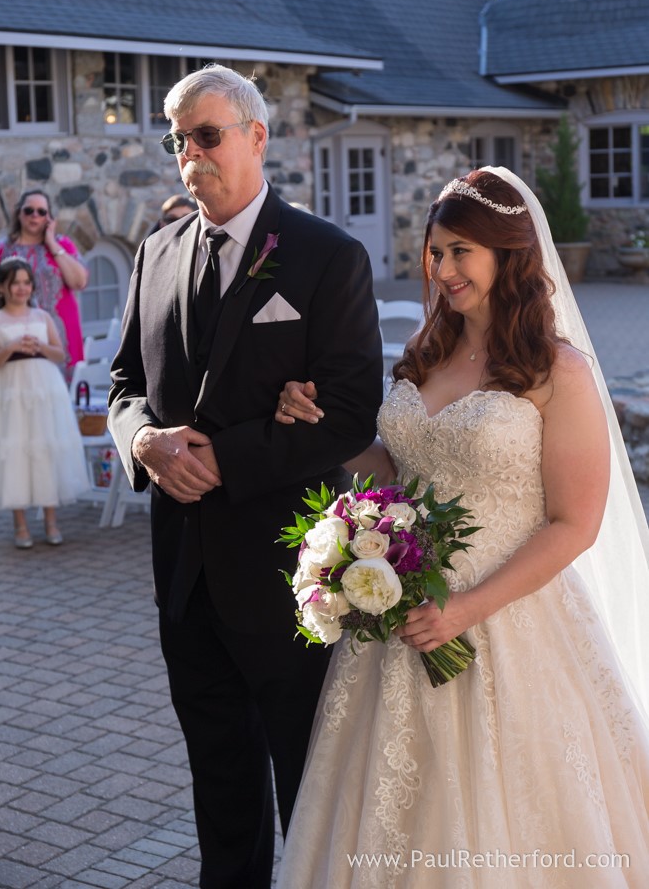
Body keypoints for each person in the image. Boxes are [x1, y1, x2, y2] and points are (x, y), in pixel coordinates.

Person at [274, 167, 649, 888]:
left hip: (508, 623)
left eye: (460, 251)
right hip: (403, 618)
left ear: (508, 255)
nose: (441, 269)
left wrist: (466, 608)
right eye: (434, 251)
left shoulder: (556, 372)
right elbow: (396, 474)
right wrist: (325, 429)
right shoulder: (425, 355)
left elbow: (575, 524)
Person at [107, 63, 383, 889]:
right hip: (183, 577)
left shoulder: (326, 257)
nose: (189, 154)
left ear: (257, 137)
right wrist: (147, 444)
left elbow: (347, 409)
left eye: (207, 134)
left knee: (308, 781)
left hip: (288, 575)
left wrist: (221, 459)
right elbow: (123, 386)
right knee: (219, 784)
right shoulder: (155, 253)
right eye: (177, 139)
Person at [0, 257, 89, 547]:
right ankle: (20, 524)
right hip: (9, 391)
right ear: (2, 287)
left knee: (45, 447)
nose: (22, 288)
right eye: (15, 282)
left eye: (26, 282)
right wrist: (11, 347)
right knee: (15, 449)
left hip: (44, 389)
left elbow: (60, 354)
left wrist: (40, 346)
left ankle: (51, 520)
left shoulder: (42, 317)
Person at [0, 189, 88, 381]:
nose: (35, 216)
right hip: (16, 334)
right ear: (18, 213)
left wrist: (51, 243)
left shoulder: (62, 243)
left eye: (41, 212)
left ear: (49, 217)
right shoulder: (2, 248)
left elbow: (79, 282)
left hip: (60, 331)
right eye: (29, 210)